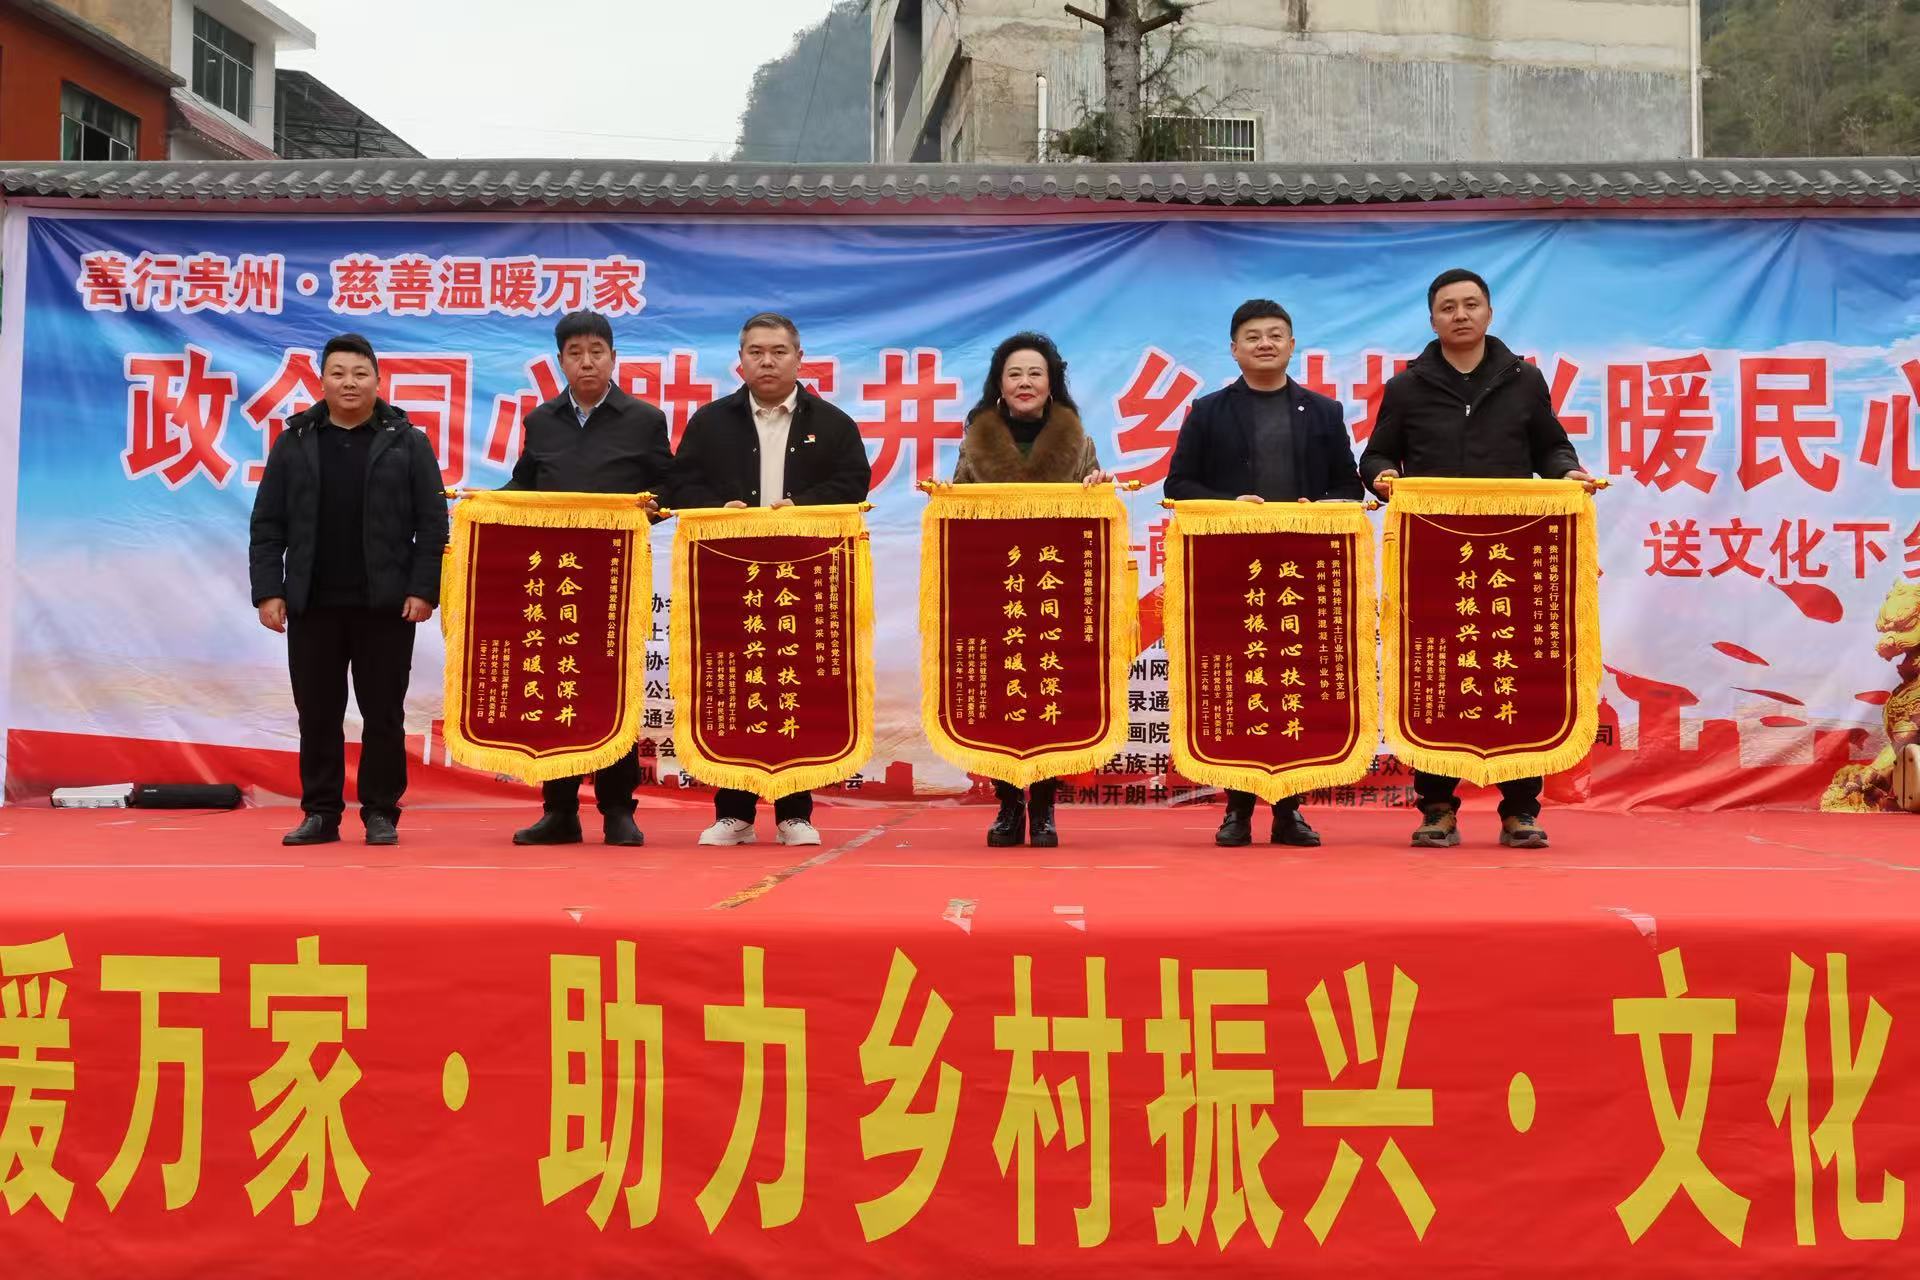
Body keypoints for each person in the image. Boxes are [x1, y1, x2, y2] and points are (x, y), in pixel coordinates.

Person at [1359, 267, 1597, 851]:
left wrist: (1568, 473)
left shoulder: (1524, 379)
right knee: (1434, 672)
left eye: (1470, 304)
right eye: (1448, 307)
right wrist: (1382, 476)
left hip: (1514, 548)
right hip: (1433, 552)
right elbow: (1377, 455)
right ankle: (1437, 807)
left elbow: (1550, 447)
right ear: (1432, 318)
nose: (1460, 315)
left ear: (1489, 312)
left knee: (1518, 672)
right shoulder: (1408, 386)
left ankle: (1520, 809)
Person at [1167, 299, 1364, 848]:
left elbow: (1350, 488)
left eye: (1276, 334)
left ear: (1292, 345)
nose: (1265, 344)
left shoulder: (1322, 411)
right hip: (1233, 571)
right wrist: (1230, 504)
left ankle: (1288, 809)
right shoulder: (1208, 411)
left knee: (1294, 686)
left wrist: (1315, 507)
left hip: (1302, 573)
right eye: (1252, 336)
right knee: (1240, 685)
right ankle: (1236, 809)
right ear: (1234, 349)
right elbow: (1178, 485)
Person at [669, 312, 872, 847]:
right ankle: (733, 812)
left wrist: (801, 506)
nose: (767, 361)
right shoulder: (711, 422)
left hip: (802, 577)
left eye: (778, 351)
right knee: (732, 686)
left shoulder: (833, 424)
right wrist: (720, 507)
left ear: (799, 359)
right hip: (727, 577)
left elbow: (854, 482)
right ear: (740, 360)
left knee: (796, 685)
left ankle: (794, 813)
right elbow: (679, 484)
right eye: (756, 352)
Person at [249, 333, 447, 846]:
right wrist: (269, 591)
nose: (349, 383)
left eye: (360, 373)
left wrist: (423, 589)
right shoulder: (295, 441)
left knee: (384, 715)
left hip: (386, 606)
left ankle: (380, 812)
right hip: (312, 604)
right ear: (322, 381)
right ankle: (320, 813)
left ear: (378, 380)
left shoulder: (408, 442)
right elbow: (268, 524)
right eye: (338, 373)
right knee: (318, 714)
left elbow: (432, 524)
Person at [503, 310, 673, 848]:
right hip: (554, 578)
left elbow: (669, 487)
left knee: (613, 687)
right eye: (575, 353)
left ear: (613, 358)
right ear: (561, 362)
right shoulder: (541, 421)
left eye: (596, 352)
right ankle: (559, 810)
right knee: (557, 686)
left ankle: (618, 809)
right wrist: (480, 506)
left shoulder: (644, 419)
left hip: (617, 576)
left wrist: (648, 510)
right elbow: (524, 486)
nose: (587, 362)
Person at [951, 332, 1113, 848]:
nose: (1025, 382)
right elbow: (958, 514)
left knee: (1049, 694)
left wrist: (1097, 491)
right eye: (1014, 373)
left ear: (1051, 383)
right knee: (1002, 696)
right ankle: (1007, 804)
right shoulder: (974, 441)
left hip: (1053, 589)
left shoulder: (1080, 443)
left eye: (1035, 374)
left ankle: (1043, 807)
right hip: (994, 589)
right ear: (999, 384)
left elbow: (1093, 521)